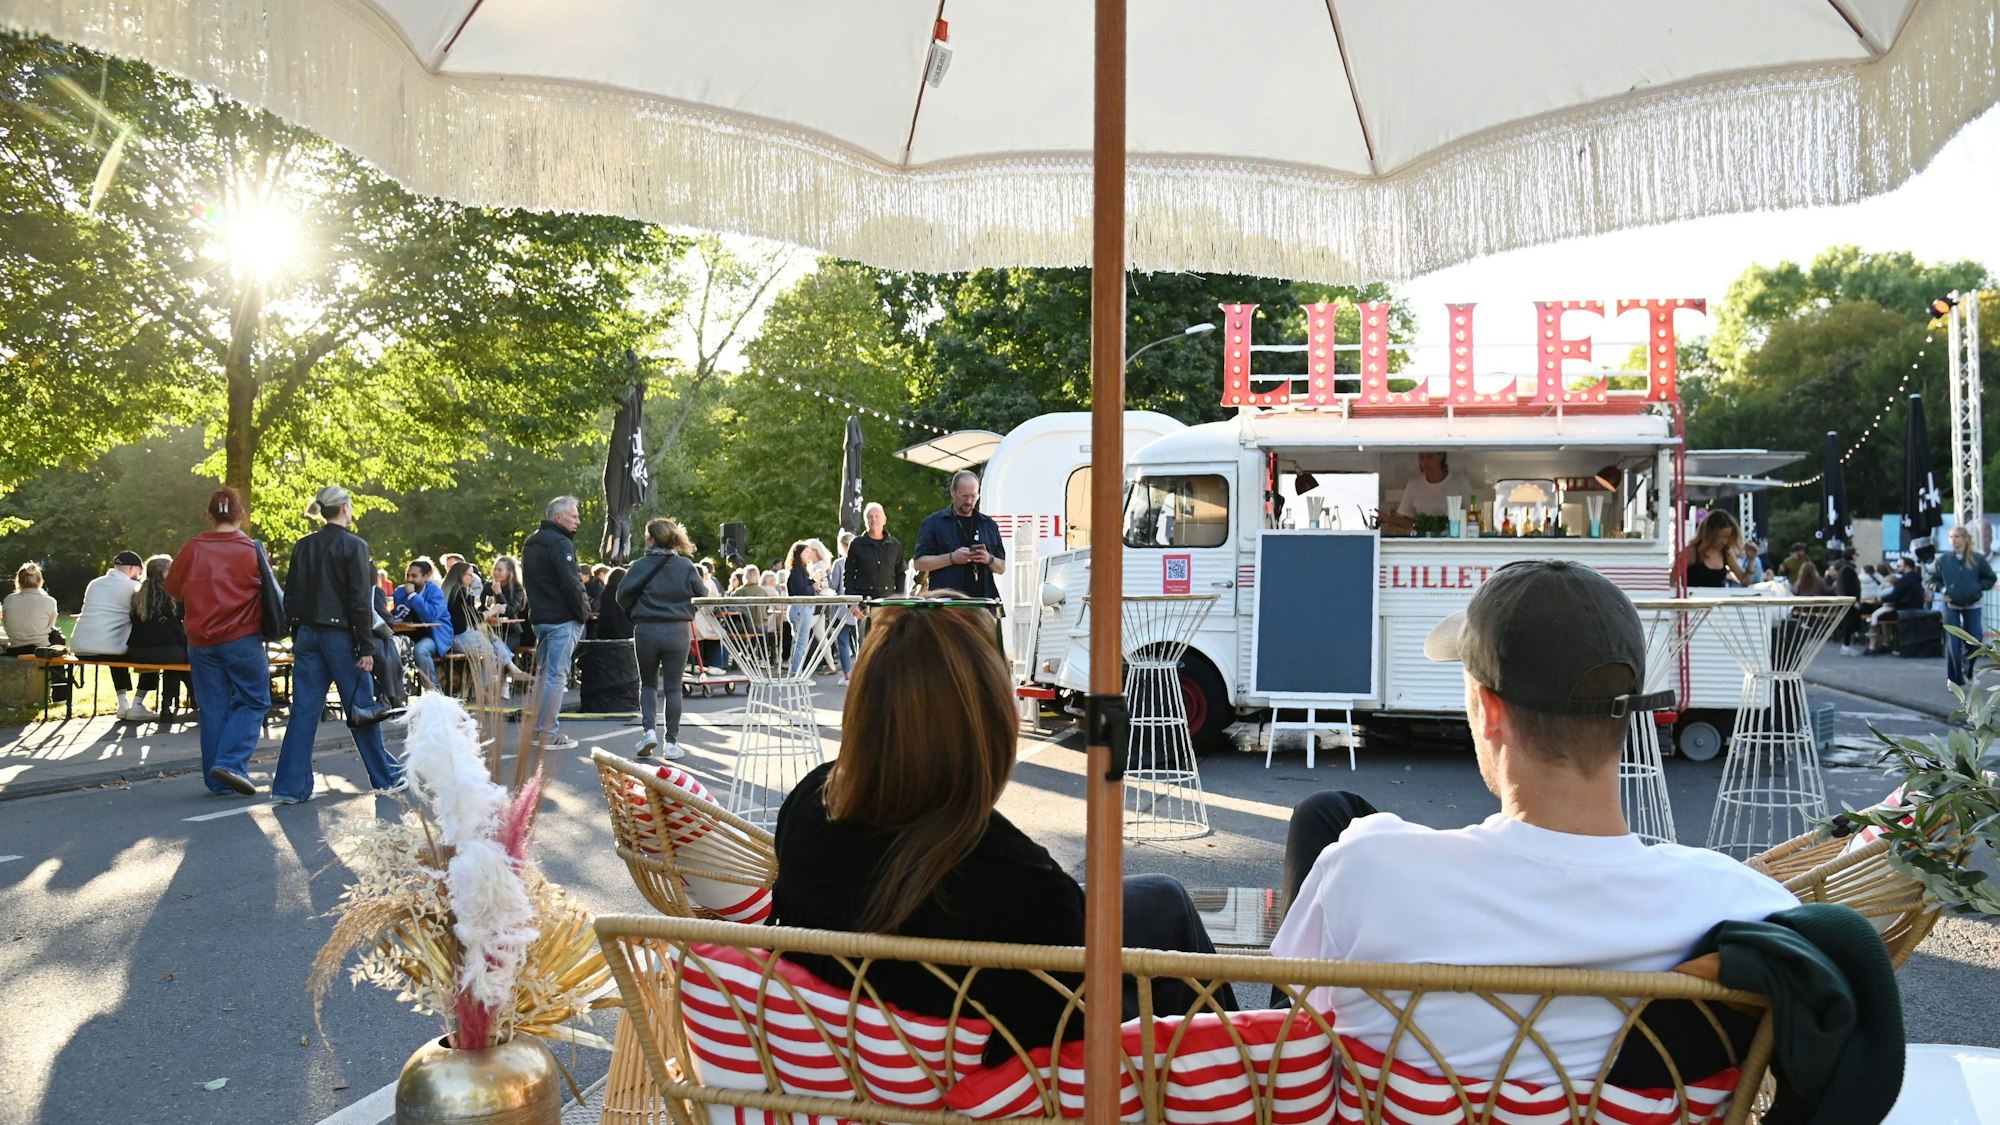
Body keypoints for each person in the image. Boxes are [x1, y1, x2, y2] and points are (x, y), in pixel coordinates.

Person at [1271, 560, 1796, 1085]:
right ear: (1630, 709)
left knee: (1318, 818)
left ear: (1488, 709)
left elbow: (1291, 1033)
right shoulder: (1747, 905)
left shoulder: (1363, 866)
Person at [771, 602, 1233, 1066]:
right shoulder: (1016, 879)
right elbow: (1074, 1023)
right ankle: (1239, 1069)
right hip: (1027, 1058)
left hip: (863, 1034)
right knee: (1168, 937)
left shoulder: (810, 804)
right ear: (987, 727)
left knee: (1162, 900)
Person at [276, 485, 404, 802]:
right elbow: (359, 602)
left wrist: (297, 631)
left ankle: (290, 787)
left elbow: (289, 596)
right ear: (346, 507)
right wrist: (366, 648)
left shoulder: (303, 546)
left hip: (308, 634)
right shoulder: (354, 546)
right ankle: (385, 776)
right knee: (361, 709)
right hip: (342, 637)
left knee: (304, 712)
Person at [166, 487, 270, 797]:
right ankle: (231, 763)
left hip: (200, 640)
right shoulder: (251, 550)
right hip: (242, 638)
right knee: (254, 700)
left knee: (212, 708)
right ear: (243, 516)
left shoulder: (193, 548)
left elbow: (173, 587)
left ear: (208, 515)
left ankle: (216, 781)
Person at [619, 517, 707, 761]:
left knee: (647, 685)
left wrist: (636, 612)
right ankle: (671, 743)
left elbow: (621, 596)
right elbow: (703, 595)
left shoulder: (638, 566)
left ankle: (649, 731)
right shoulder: (686, 566)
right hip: (677, 630)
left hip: (646, 629)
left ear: (650, 538)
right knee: (673, 687)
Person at [524, 495, 591, 750]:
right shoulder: (560, 543)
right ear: (558, 517)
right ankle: (546, 734)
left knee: (544, 676)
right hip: (562, 618)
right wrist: (583, 612)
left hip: (540, 618)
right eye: (574, 516)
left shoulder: (531, 542)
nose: (578, 521)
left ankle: (539, 731)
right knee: (555, 676)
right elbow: (571, 582)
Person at [71, 549, 158, 721]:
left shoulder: (94, 584)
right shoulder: (134, 587)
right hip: (109, 649)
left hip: (80, 647)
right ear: (134, 569)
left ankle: (122, 703)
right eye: (139, 573)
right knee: (152, 655)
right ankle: (138, 705)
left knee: (115, 651)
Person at [912, 470, 1007, 599]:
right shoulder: (933, 523)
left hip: (983, 604)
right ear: (953, 491)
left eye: (973, 496)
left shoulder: (988, 524)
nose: (969, 501)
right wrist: (952, 558)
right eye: (964, 495)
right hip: (947, 604)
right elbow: (919, 563)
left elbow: (1001, 568)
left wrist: (988, 558)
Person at [444, 560, 533, 689]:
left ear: (510, 573)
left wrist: (499, 594)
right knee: (491, 646)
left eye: (500, 570)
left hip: (510, 631)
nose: (472, 578)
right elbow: (476, 614)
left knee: (493, 639)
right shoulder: (462, 591)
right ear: (461, 575)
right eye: (470, 575)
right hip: (463, 634)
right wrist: (491, 612)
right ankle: (491, 686)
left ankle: (507, 678)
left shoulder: (517, 589)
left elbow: (511, 612)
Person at [1932, 526, 1996, 686]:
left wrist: (1977, 587)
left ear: (1966, 539)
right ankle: (1955, 679)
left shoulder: (1978, 559)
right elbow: (1932, 580)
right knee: (1953, 642)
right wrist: (1943, 589)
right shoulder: (1943, 559)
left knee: (1975, 640)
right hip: (1951, 603)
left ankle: (1969, 668)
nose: (1954, 540)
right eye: (1952, 537)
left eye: (1958, 537)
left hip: (1972, 603)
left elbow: (1990, 578)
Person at [125, 554, 189, 714]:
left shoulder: (138, 595)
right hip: (169, 651)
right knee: (178, 660)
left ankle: (176, 702)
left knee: (173, 655)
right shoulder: (175, 594)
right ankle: (168, 704)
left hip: (138, 651)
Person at [392, 557, 452, 692]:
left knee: (421, 650)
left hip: (435, 635)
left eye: (414, 576)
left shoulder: (435, 592)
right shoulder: (401, 591)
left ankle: (434, 692)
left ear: (426, 577)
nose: (409, 579)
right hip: (409, 633)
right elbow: (398, 615)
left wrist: (413, 596)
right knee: (392, 647)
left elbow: (431, 616)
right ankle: (399, 692)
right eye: (408, 575)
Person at [1380, 450, 1472, 535]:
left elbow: (1469, 516)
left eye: (1429, 457)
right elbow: (1409, 521)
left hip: (1452, 543)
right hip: (1422, 544)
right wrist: (1389, 519)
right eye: (1421, 457)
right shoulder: (1413, 485)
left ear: (1441, 455)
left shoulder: (1460, 482)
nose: (1425, 462)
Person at [845, 502, 906, 600]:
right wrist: (851, 603)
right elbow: (849, 574)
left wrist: (899, 599)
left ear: (884, 520)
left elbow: (901, 574)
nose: (874, 519)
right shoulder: (857, 544)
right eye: (870, 517)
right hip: (863, 602)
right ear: (865, 521)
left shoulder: (895, 545)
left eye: (877, 516)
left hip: (888, 603)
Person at [783, 539, 827, 676]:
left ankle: (796, 671)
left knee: (799, 642)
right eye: (806, 552)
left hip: (800, 610)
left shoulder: (800, 571)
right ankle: (796, 673)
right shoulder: (797, 572)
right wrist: (813, 586)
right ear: (799, 554)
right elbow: (800, 591)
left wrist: (813, 582)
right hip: (800, 609)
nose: (809, 554)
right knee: (800, 643)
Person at [1867, 555, 1927, 654]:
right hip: (1914, 607)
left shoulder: (1905, 580)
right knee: (1884, 617)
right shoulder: (1915, 578)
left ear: (1907, 567)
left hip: (1904, 609)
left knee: (1878, 616)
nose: (1897, 568)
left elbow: (1895, 596)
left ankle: (1874, 646)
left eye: (1899, 566)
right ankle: (1886, 643)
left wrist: (1882, 598)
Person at [4, 562, 63, 654]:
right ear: (40, 581)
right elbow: (50, 626)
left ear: (18, 581)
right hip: (40, 650)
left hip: (14, 649)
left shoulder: (9, 599)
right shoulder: (50, 601)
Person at [1681, 509, 1747, 588]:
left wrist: (1752, 560)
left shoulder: (1726, 552)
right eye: (1721, 537)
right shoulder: (1691, 551)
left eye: (1728, 537)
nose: (1724, 541)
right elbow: (1672, 580)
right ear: (1710, 534)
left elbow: (1744, 580)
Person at [826, 531, 859, 684]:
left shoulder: (839, 563)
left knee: (843, 642)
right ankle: (861, 672)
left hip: (842, 608)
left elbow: (834, 585)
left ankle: (847, 674)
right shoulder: (861, 561)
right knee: (860, 641)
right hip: (859, 605)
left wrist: (827, 574)